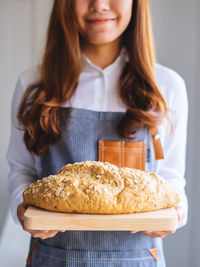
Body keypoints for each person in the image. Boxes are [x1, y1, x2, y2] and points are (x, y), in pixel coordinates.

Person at [7, 0, 188, 266]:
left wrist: (176, 214)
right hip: (53, 258)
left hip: (138, 259)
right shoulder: (34, 85)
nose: (99, 4)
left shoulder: (166, 88)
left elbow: (171, 180)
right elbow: (20, 170)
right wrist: (24, 211)